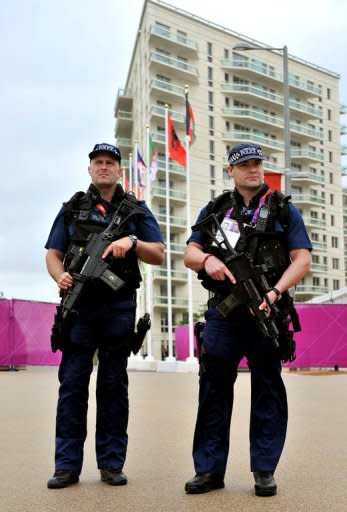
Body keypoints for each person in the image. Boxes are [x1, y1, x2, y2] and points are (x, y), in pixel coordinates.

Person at [184, 142, 311, 497]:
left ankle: (264, 470)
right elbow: (190, 252)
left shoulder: (284, 209)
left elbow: (302, 259)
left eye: (257, 164)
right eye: (245, 165)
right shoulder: (217, 209)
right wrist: (206, 261)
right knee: (213, 390)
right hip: (223, 313)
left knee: (268, 389)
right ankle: (209, 471)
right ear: (231, 171)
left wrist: (274, 293)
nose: (253, 170)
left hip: (266, 309)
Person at [45, 143, 164, 489]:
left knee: (113, 387)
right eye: (98, 162)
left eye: (110, 163)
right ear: (90, 169)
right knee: (72, 388)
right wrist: (60, 276)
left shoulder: (135, 211)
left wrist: (132, 242)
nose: (103, 167)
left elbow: (157, 252)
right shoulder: (73, 208)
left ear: (118, 170)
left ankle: (111, 463)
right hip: (79, 308)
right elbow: (53, 254)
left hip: (117, 308)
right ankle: (66, 465)